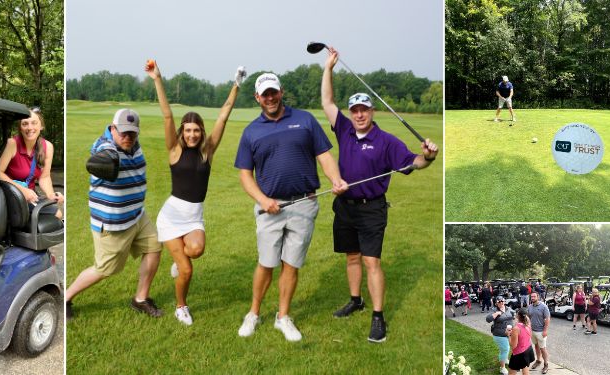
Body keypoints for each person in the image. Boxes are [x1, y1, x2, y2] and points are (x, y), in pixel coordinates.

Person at [321, 47, 438, 343]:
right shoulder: (344, 130)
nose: (359, 114)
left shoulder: (386, 141)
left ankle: (377, 316)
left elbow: (415, 163)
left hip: (372, 208)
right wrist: (328, 68)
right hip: (345, 206)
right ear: (351, 113)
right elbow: (327, 101)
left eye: (364, 110)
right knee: (351, 257)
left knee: (371, 261)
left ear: (372, 112)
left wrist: (429, 156)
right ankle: (355, 300)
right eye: (355, 110)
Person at [234, 72, 348, 342]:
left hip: (304, 204)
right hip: (269, 208)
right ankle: (254, 313)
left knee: (291, 264)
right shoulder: (251, 131)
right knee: (266, 263)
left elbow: (324, 155)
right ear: (257, 98)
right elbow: (244, 175)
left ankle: (283, 317)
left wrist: (336, 179)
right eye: (265, 94)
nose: (270, 98)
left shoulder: (305, 120)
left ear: (281, 92)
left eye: (274, 92)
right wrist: (263, 200)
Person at [145, 61, 243, 325]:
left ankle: (178, 262)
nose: (191, 134)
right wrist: (157, 79)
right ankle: (181, 306)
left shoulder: (207, 151)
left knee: (196, 249)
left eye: (196, 130)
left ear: (201, 132)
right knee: (187, 270)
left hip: (194, 218)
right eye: (187, 130)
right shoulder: (174, 150)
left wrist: (236, 85)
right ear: (182, 132)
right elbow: (167, 115)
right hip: (171, 217)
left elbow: (223, 115)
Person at [65, 109, 163, 321]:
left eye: (132, 133)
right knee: (105, 269)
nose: (128, 137)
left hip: (137, 216)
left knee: (154, 247)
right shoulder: (106, 147)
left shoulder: (134, 145)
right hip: (114, 223)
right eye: (123, 133)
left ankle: (140, 299)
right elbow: (102, 155)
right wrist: (107, 160)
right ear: (112, 129)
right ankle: (66, 297)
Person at [0, 107, 64, 219]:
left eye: (34, 123)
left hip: (31, 195)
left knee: (58, 214)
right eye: (25, 124)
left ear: (41, 126)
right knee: (55, 215)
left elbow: (45, 177)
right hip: (10, 195)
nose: (30, 128)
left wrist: (51, 195)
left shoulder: (47, 146)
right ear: (20, 127)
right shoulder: (12, 144)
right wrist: (22, 190)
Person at [487, 296, 516, 375]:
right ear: (496, 303)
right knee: (505, 349)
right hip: (499, 334)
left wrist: (514, 315)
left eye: (502, 301)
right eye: (499, 302)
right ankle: (502, 368)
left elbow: (514, 314)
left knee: (506, 348)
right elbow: (488, 319)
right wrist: (496, 313)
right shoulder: (494, 310)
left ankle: (505, 359)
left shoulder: (508, 308)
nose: (501, 303)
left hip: (509, 333)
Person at [507, 308, 535, 375]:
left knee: (511, 372)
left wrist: (508, 335)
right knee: (525, 367)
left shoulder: (516, 328)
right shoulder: (528, 323)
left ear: (517, 316)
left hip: (519, 354)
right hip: (528, 349)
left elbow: (513, 346)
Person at [527, 292, 550, 374]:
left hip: (541, 332)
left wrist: (545, 330)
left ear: (538, 297)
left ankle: (546, 364)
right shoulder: (530, 307)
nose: (532, 298)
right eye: (531, 296)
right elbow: (528, 318)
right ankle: (538, 360)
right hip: (532, 331)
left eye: (534, 296)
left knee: (543, 349)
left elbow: (547, 319)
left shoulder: (543, 306)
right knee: (536, 346)